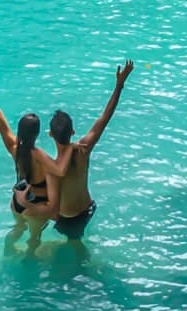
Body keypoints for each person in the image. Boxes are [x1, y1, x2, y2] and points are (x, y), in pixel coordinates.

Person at [48, 59, 133, 239]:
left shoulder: (52, 168)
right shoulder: (83, 150)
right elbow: (105, 117)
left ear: (51, 135)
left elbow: (49, 207)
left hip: (65, 217)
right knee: (77, 242)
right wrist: (119, 85)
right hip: (87, 211)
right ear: (72, 131)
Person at [0, 72, 58, 237]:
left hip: (17, 201)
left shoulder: (14, 148)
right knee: (34, 240)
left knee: (17, 230)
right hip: (35, 205)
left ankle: (8, 251)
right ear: (37, 134)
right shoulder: (43, 159)